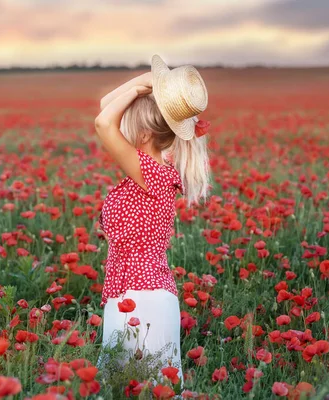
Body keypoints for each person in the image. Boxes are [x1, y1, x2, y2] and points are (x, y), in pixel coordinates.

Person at [94, 54, 211, 390]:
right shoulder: (152, 171)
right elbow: (106, 106)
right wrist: (147, 83)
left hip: (142, 296)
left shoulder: (152, 173)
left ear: (143, 132)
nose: (120, 129)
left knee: (137, 390)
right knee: (124, 389)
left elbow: (103, 122)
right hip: (133, 291)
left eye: (127, 124)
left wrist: (144, 85)